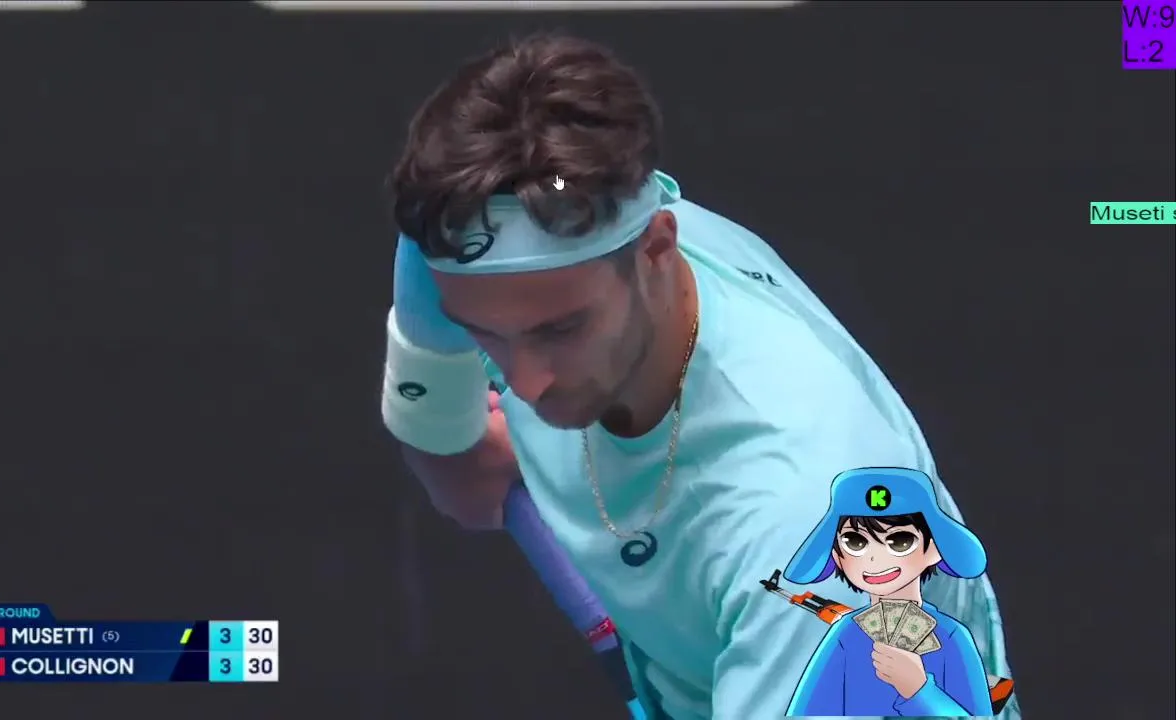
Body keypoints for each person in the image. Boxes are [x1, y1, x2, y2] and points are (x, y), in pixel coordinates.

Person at [380, 33, 1018, 720]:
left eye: (558, 330)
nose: (526, 386)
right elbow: (426, 276)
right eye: (485, 333)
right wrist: (441, 432)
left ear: (658, 248)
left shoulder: (806, 521)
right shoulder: (479, 242)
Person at [784, 467, 993, 716]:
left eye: (900, 541)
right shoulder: (846, 634)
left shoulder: (952, 636)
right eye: (855, 542)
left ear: (934, 550)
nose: (874, 558)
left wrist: (920, 690)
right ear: (837, 555)